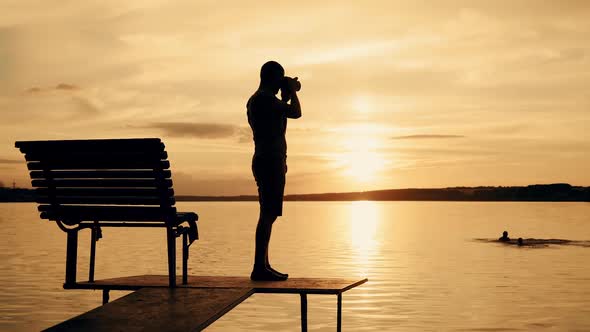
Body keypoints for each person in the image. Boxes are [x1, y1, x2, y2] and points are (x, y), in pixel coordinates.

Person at [247, 61, 302, 281]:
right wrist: (292, 93)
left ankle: (263, 264)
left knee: (268, 214)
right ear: (273, 78)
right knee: (267, 215)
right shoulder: (265, 99)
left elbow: (278, 117)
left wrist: (286, 94)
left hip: (267, 160)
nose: (282, 84)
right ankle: (260, 266)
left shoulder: (259, 100)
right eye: (280, 79)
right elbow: (296, 113)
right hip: (270, 162)